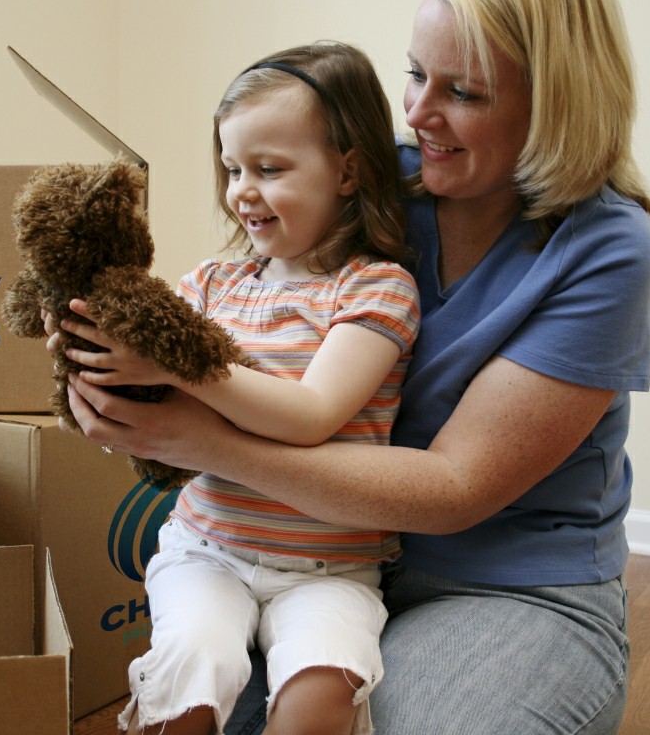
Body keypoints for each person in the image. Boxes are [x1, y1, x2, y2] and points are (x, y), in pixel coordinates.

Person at [60, 0, 650, 731]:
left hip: (503, 582)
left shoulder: (604, 246)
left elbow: (455, 491)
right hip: (321, 552)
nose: (415, 114)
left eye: (465, 93)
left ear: (555, 101)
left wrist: (198, 438)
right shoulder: (371, 184)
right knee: (192, 697)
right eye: (414, 74)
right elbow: (240, 299)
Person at [52, 41, 420, 735]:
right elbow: (151, 398)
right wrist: (91, 355)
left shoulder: (375, 288)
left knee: (321, 696)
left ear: (347, 171)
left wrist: (179, 365)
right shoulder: (213, 285)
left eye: (269, 169)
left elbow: (313, 413)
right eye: (231, 168)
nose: (241, 191)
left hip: (329, 568)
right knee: (188, 675)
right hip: (208, 547)